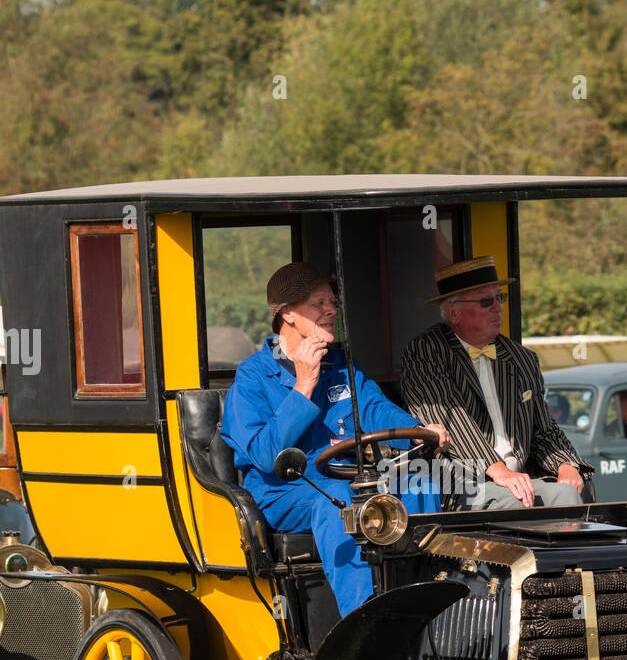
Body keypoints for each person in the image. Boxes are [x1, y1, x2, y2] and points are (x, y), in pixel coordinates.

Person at [221, 262, 448, 616]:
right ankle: (364, 625)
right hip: (285, 493)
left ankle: (430, 609)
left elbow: (375, 409)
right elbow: (265, 456)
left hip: (351, 479)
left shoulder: (342, 363)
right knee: (343, 502)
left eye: (332, 301)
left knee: (423, 483)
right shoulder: (253, 376)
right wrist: (303, 387)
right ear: (288, 314)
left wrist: (421, 429)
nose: (332, 310)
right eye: (318, 303)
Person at [400, 256, 592, 509]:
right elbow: (449, 419)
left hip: (519, 478)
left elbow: (543, 428)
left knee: (576, 487)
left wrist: (567, 464)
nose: (497, 307)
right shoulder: (425, 351)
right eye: (485, 301)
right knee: (561, 498)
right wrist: (499, 470)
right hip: (462, 480)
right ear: (453, 312)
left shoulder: (521, 358)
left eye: (499, 298)